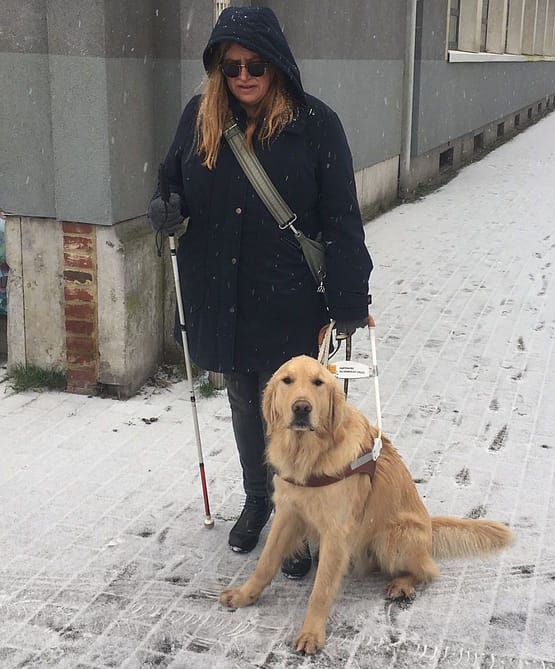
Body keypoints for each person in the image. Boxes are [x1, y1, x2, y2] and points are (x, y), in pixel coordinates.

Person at [148, 6, 372, 579]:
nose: (243, 76)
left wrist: (350, 302)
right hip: (220, 291)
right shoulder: (199, 119)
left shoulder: (316, 125)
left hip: (289, 298)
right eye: (231, 66)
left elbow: (342, 219)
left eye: (255, 65)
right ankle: (259, 499)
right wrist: (164, 209)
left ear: (277, 65)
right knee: (247, 406)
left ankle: (297, 518)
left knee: (300, 412)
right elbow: (169, 181)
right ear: (217, 69)